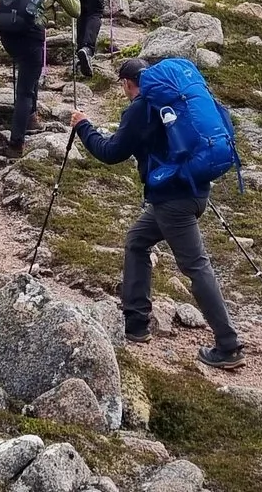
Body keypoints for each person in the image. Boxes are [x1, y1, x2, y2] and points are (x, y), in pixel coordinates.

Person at [73, 56, 245, 368]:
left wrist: (83, 126)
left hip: (172, 201)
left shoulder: (142, 107)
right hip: (195, 190)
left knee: (195, 266)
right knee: (137, 240)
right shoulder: (174, 100)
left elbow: (110, 152)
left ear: (127, 83)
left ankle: (228, 345)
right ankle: (136, 322)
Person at [0, 0, 80, 157]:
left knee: (28, 76)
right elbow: (74, 10)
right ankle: (15, 144)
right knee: (25, 90)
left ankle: (31, 119)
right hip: (31, 36)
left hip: (7, 36)